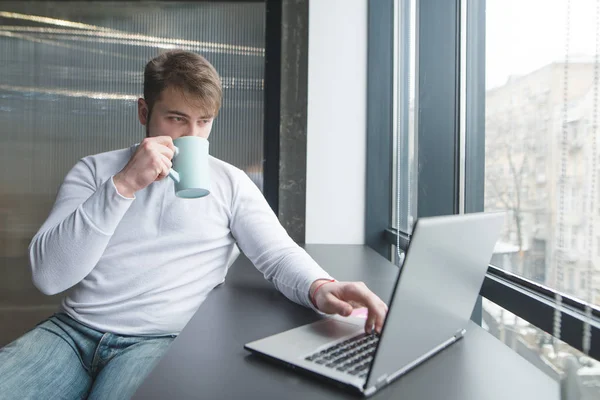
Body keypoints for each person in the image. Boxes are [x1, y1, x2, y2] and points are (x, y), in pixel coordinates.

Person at [0, 50, 388, 399]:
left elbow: (277, 254)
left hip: (157, 341)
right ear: (143, 112)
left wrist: (322, 287)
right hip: (71, 332)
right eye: (176, 119)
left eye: (203, 122)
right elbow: (49, 277)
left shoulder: (229, 183)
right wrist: (123, 185)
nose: (192, 136)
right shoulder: (94, 171)